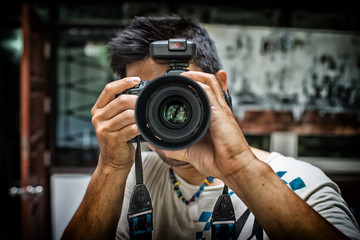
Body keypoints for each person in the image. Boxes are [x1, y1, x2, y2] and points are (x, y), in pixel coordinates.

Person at [61, 15, 360, 240]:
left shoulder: (302, 184)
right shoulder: (129, 181)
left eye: (180, 90)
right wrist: (110, 167)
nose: (169, 112)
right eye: (149, 97)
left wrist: (240, 168)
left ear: (221, 87)